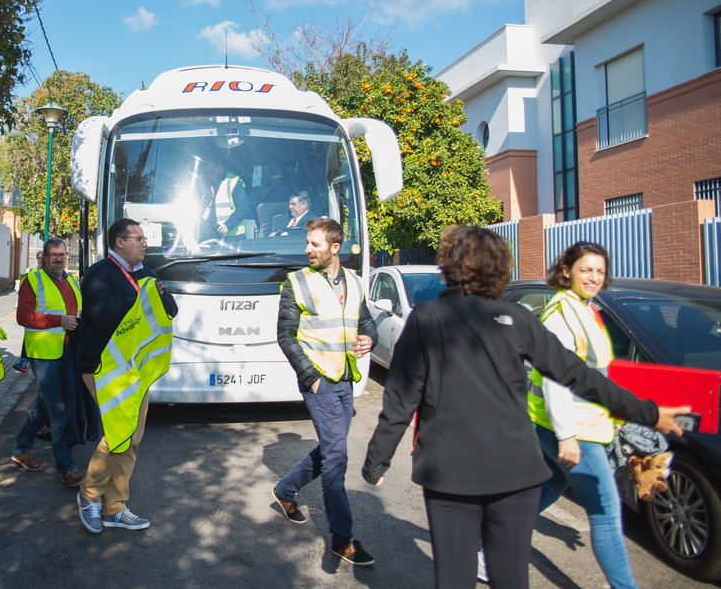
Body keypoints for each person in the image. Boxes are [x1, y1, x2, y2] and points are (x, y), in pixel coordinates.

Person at [362, 225, 689, 589]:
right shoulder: (518, 319)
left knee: (453, 577)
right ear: (501, 268)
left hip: (449, 471)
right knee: (511, 577)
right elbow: (579, 376)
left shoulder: (425, 318)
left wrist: (378, 458)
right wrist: (650, 413)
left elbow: (401, 398)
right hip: (517, 470)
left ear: (449, 266)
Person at [528, 241, 640, 588]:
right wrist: (566, 435)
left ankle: (484, 540)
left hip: (580, 427)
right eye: (585, 270)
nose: (594, 277)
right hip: (574, 432)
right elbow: (554, 379)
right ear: (566, 271)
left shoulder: (585, 308)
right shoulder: (564, 312)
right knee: (606, 513)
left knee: (547, 489)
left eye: (599, 271)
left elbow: (596, 373)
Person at [273, 217, 378, 566]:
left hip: (345, 379)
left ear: (335, 248)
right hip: (319, 382)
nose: (307, 249)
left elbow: (365, 320)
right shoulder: (296, 283)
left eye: (315, 244)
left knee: (330, 450)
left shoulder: (355, 282)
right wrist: (310, 377)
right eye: (308, 242)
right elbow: (285, 335)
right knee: (337, 458)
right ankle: (342, 539)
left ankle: (285, 490)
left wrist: (370, 337)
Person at [76, 219, 178, 533]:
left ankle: (115, 507)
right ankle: (89, 495)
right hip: (103, 368)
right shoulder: (98, 273)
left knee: (131, 439)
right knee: (117, 435)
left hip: (136, 369)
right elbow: (103, 317)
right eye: (139, 238)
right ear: (120, 242)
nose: (145, 244)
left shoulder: (147, 275)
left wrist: (158, 295)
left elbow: (170, 310)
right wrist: (139, 299)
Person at [10, 237, 84, 487]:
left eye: (62, 254)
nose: (59, 259)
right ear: (43, 256)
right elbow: (23, 316)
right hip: (44, 355)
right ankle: (67, 467)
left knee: (44, 406)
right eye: (53, 255)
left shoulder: (72, 280)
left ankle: (21, 450)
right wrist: (58, 321)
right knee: (59, 410)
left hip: (67, 352)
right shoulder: (33, 279)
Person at [202, 154, 250, 238]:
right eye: (207, 173)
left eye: (211, 172)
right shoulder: (209, 186)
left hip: (233, 236)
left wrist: (228, 225)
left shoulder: (233, 182)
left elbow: (243, 207)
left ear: (219, 167)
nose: (209, 175)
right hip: (214, 236)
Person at [13, 250, 45, 374]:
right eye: (38, 258)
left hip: (43, 310)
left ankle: (27, 359)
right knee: (28, 334)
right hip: (30, 310)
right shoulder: (30, 273)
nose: (40, 260)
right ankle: (24, 360)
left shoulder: (52, 274)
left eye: (42, 257)